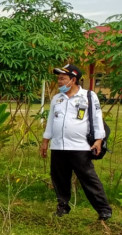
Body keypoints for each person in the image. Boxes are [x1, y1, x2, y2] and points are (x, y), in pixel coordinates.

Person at [40, 64, 112, 221]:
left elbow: (97, 119)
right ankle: (63, 206)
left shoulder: (88, 96)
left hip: (80, 146)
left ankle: (104, 210)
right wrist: (46, 141)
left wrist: (99, 140)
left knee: (88, 178)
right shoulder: (57, 99)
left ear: (73, 80)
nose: (59, 81)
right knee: (59, 178)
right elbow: (51, 121)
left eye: (62, 78)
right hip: (58, 146)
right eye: (58, 78)